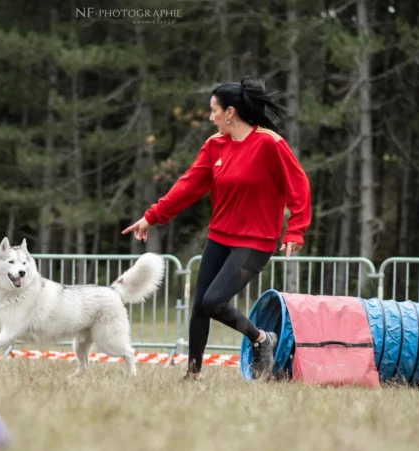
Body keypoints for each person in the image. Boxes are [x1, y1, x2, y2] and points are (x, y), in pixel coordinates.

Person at [122, 77, 312, 381]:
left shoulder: (269, 143)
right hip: (220, 237)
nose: (210, 118)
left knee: (214, 302)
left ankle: (262, 339)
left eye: (214, 111)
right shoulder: (214, 146)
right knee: (200, 306)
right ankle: (193, 374)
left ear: (230, 112)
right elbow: (188, 186)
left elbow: (298, 187)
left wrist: (295, 230)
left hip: (256, 242)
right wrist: (152, 216)